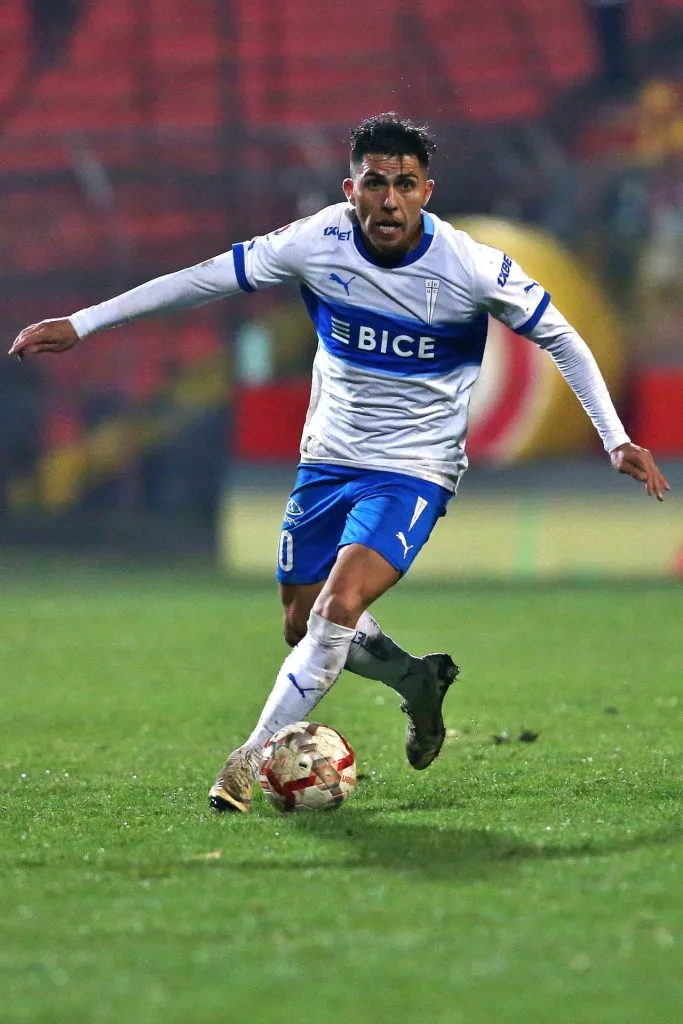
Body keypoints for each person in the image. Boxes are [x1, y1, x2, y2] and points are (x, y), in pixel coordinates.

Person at [9, 113, 670, 813]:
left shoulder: (469, 265)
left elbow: (563, 337)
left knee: (340, 604)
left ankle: (245, 760)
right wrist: (82, 323)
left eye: (405, 185)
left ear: (427, 192)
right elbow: (203, 279)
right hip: (326, 461)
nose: (389, 199)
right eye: (375, 183)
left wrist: (614, 438)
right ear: (350, 189)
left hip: (413, 468)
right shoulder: (315, 242)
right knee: (303, 624)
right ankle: (416, 681)